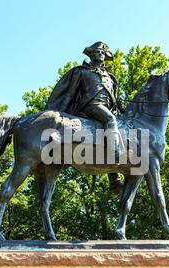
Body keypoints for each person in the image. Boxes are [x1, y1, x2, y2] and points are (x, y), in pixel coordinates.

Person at [45, 41, 123, 195]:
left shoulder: (111, 77)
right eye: (97, 51)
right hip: (89, 107)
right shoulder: (81, 72)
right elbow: (70, 94)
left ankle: (113, 178)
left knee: (117, 128)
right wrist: (61, 112)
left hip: (106, 108)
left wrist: (119, 104)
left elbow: (113, 98)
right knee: (110, 120)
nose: (100, 53)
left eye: (103, 52)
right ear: (91, 54)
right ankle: (115, 156)